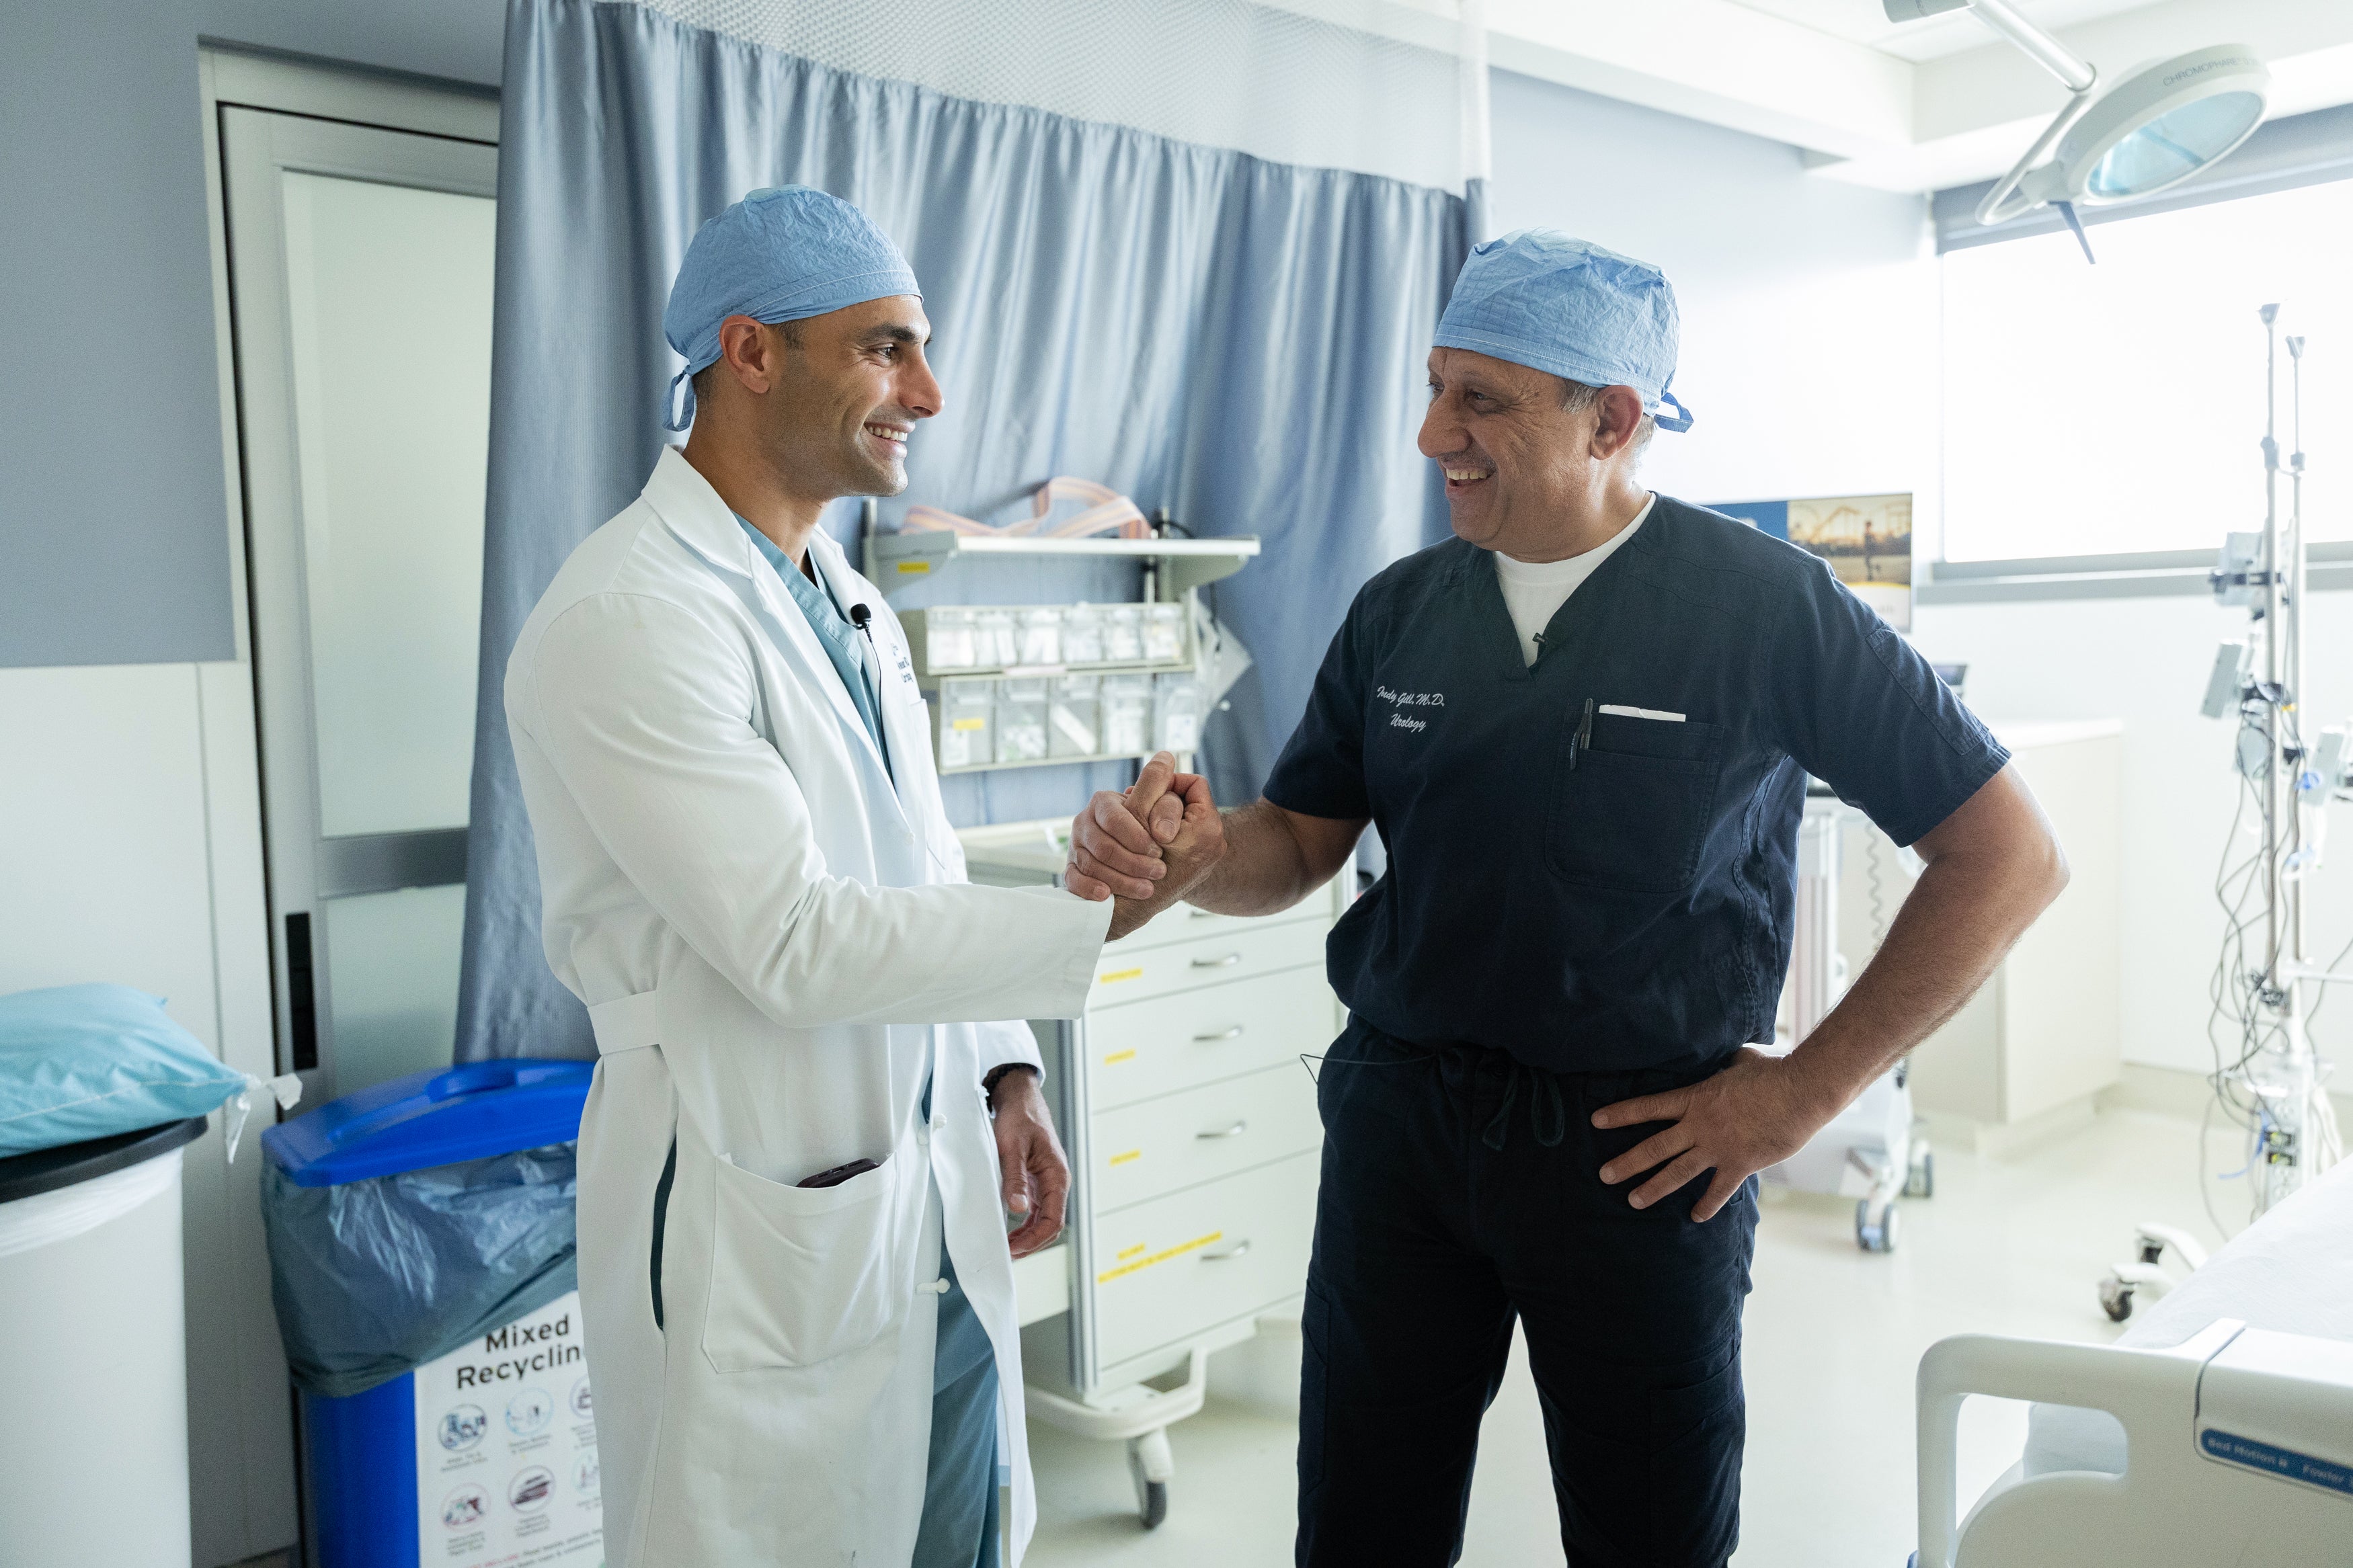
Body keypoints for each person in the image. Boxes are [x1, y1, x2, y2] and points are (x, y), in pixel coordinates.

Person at [1067, 231, 2069, 1567]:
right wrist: (1195, 859)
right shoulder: (1400, 612)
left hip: (1643, 1149)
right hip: (1401, 1127)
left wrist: (1802, 1093)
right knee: (1361, 1519)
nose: (1433, 433)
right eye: (1432, 386)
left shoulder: (1764, 608)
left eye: (1479, 396)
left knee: (1646, 1529)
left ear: (1611, 419)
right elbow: (1299, 838)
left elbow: (2008, 855)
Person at [507, 187, 1150, 1568]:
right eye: (883, 349)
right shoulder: (631, 614)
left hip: (922, 1194)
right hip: (753, 1194)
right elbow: (791, 938)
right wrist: (1101, 915)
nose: (927, 389)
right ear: (749, 353)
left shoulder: (846, 598)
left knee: (956, 1523)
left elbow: (910, 865)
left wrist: (1001, 1078)